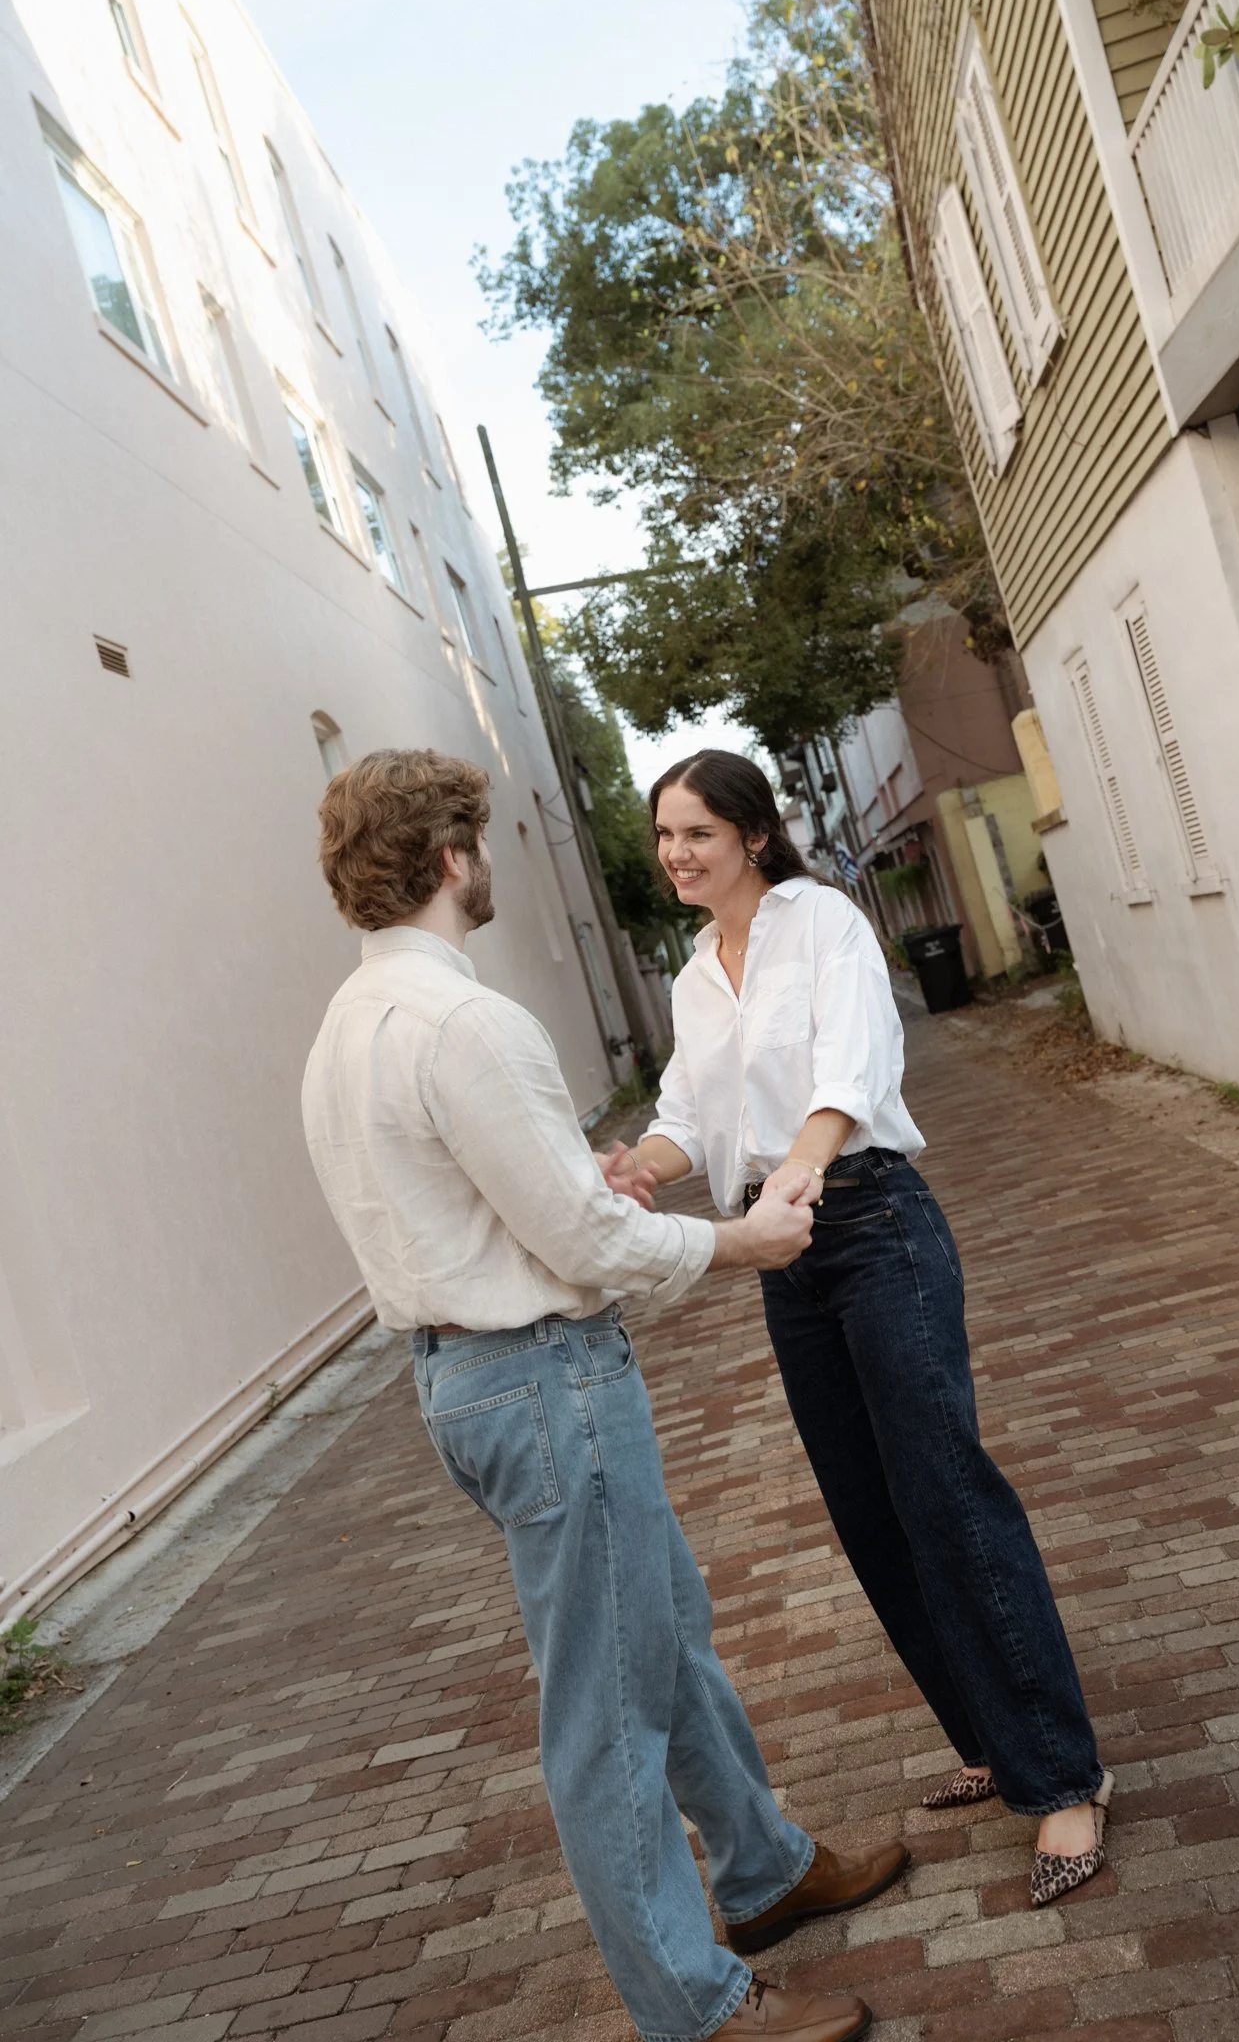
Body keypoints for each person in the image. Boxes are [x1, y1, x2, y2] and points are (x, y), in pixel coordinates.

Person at [301, 749, 908, 2042]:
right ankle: (698, 2004)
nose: (485, 860)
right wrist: (737, 1242)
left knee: (660, 1632)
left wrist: (583, 1186)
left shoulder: (346, 1030)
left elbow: (490, 1207)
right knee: (608, 1711)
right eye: (479, 842)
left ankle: (763, 1868)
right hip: (542, 1387)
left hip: (466, 1384)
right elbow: (587, 1249)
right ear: (454, 859)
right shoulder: (465, 1023)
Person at [618, 750, 1114, 1910]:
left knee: (945, 1486)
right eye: (663, 835)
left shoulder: (822, 922)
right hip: (782, 1253)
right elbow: (688, 1118)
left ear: (750, 832)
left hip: (870, 1218)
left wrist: (796, 1170)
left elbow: (852, 1066)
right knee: (866, 1502)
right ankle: (991, 1743)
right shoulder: (695, 975)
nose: (677, 853)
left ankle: (1065, 1779)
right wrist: (632, 1167)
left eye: (696, 831)